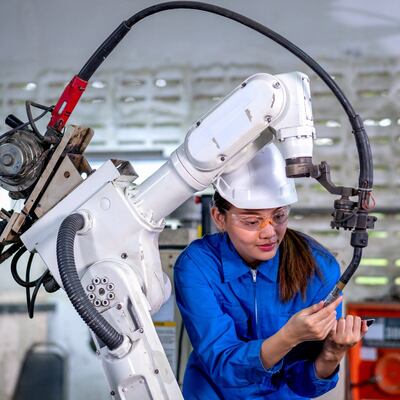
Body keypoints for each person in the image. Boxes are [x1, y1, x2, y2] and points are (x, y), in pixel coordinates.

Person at [174, 143, 368, 399]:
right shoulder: (198, 266)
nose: (268, 232)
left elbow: (306, 384)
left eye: (279, 216)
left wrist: (332, 353)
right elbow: (223, 365)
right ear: (219, 217)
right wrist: (289, 336)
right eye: (252, 221)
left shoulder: (318, 268)